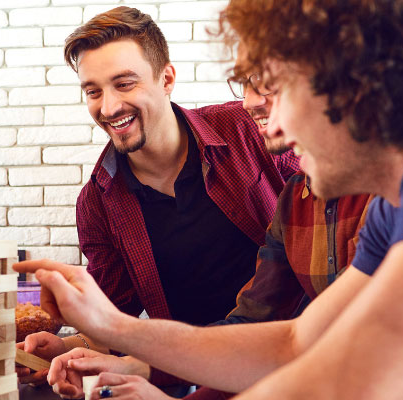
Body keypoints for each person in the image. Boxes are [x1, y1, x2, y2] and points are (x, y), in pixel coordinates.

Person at [13, 0, 403, 399]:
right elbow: (296, 345)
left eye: (277, 91)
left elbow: (357, 379)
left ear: (349, 74)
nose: (272, 128)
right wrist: (115, 329)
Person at [41, 55, 403, 400]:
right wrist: (130, 359)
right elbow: (283, 338)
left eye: (268, 85)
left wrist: (126, 344)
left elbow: (353, 359)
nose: (251, 104)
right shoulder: (298, 199)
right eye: (93, 90)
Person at [17, 6, 298, 386]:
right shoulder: (97, 203)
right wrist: (68, 347)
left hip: (292, 358)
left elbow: (318, 222)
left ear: (166, 79)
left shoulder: (254, 129)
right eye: (93, 91)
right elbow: (115, 317)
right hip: (187, 374)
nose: (109, 107)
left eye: (125, 83)